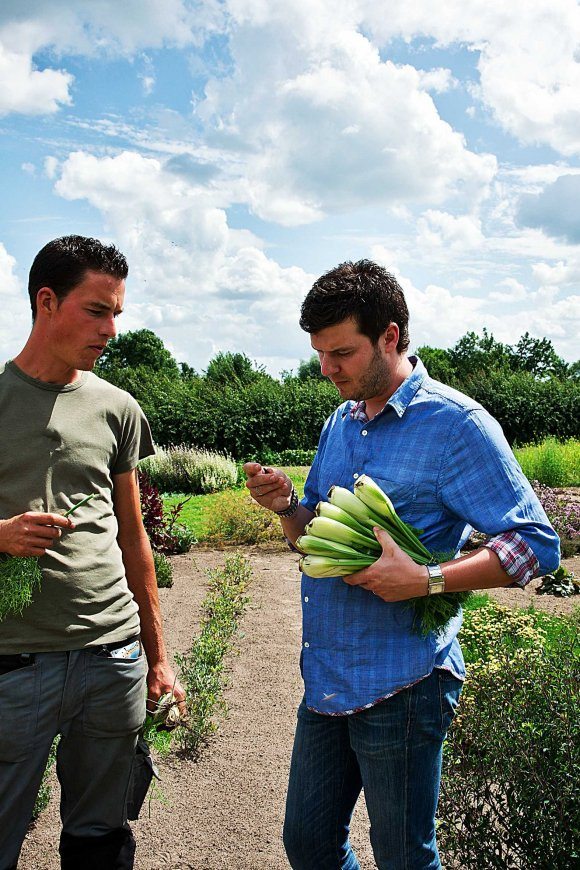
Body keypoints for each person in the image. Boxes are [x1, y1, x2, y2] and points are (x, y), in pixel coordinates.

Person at [244, 259, 559, 870]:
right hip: (329, 679)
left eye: (341, 352)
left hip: (405, 683)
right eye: (319, 354)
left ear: (390, 336)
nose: (326, 369)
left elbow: (535, 545)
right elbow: (316, 540)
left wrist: (427, 580)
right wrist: (287, 505)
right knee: (308, 845)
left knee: (404, 858)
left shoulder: (455, 426)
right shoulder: (343, 420)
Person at [0, 235, 185, 870]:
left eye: (117, 314)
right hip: (14, 665)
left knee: (100, 840)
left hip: (111, 657)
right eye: (96, 310)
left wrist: (157, 658)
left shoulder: (117, 408)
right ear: (46, 301)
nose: (111, 328)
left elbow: (136, 541)